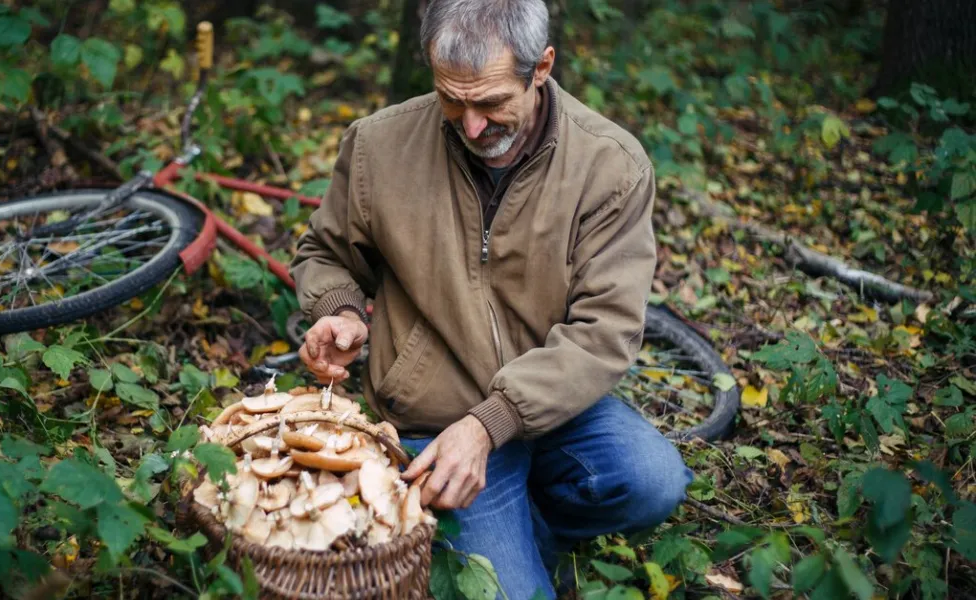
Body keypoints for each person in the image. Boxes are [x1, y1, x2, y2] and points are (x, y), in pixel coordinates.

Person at [289, 0, 693, 597]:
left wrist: (493, 422)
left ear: (542, 67)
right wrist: (340, 312)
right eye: (452, 99)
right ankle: (497, 532)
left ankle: (524, 526)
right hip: (432, 416)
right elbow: (324, 253)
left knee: (654, 480)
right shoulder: (380, 146)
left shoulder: (610, 167)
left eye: (491, 103)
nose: (471, 126)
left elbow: (603, 332)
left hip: (553, 410)